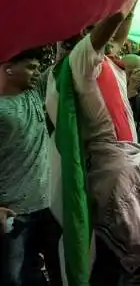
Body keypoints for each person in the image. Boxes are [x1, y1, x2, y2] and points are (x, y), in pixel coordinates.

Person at [46, 0, 140, 286]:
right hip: (113, 170)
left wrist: (134, 2)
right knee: (137, 253)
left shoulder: (104, 60)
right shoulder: (78, 62)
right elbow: (110, 26)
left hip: (128, 163)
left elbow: (118, 32)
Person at [0, 48, 61, 286]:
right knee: (15, 278)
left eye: (37, 68)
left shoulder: (34, 94)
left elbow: (61, 64)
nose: (36, 73)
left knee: (58, 270)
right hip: (14, 213)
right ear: (9, 69)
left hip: (46, 206)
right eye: (30, 68)